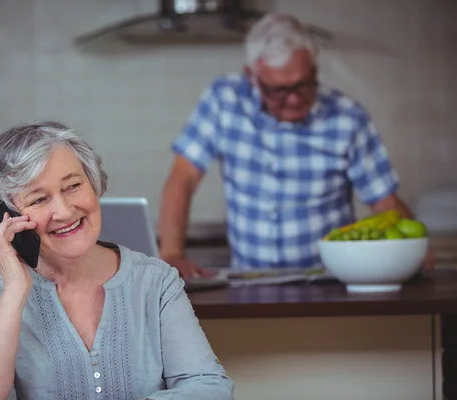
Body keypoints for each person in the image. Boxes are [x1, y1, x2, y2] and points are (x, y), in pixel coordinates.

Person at [0, 121, 234, 399]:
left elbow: (209, 387)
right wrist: (14, 292)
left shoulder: (156, 281)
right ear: (8, 217)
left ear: (94, 185)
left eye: (73, 186)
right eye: (39, 199)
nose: (66, 211)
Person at [159, 13, 423, 278]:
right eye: (278, 90)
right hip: (248, 284)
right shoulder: (223, 100)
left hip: (327, 283)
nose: (294, 100)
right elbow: (185, 177)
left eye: (304, 84)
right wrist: (172, 255)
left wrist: (414, 250)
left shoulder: (348, 117)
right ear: (252, 76)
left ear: (314, 68)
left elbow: (383, 201)